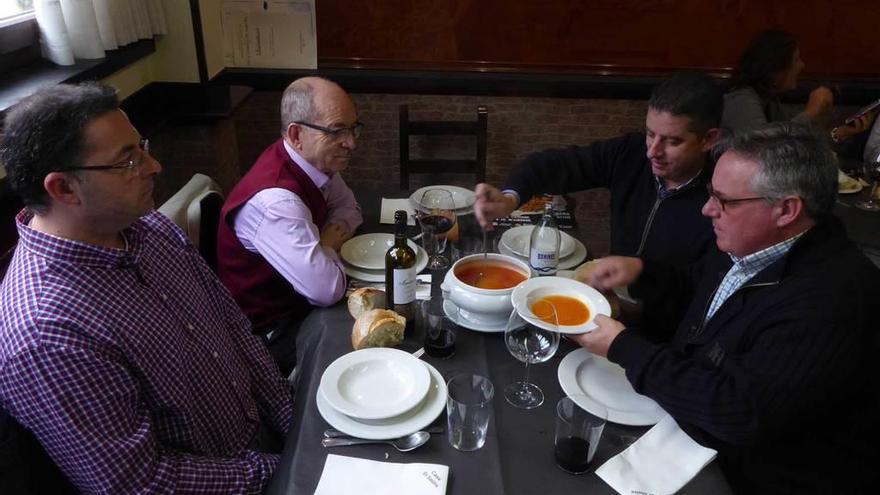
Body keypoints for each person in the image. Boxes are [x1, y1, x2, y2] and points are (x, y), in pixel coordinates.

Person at [0, 83, 294, 493]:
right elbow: (140, 484)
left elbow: (233, 329)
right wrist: (285, 471)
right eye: (128, 161)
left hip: (267, 441)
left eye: (142, 147)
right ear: (64, 188)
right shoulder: (47, 333)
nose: (154, 166)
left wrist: (294, 424)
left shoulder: (149, 228)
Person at [575, 123, 880, 493]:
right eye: (710, 194)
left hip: (752, 475)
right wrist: (641, 274)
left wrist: (624, 347)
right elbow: (703, 296)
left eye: (724, 200)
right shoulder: (753, 244)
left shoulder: (832, 301)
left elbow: (740, 413)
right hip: (686, 422)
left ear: (786, 210)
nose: (707, 210)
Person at [474, 71, 722, 265]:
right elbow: (550, 165)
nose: (652, 151)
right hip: (611, 299)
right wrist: (509, 199)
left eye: (672, 141)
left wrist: (638, 284)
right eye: (650, 134)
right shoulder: (630, 153)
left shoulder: (722, 200)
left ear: (708, 139)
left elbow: (700, 290)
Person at [216, 77, 363, 375]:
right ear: (297, 134)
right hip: (268, 335)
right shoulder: (276, 201)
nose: (351, 142)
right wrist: (326, 245)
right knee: (366, 354)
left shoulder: (314, 162)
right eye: (337, 131)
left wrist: (324, 247)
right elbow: (327, 290)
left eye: (353, 128)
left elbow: (351, 208)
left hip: (298, 304)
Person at [721, 30, 836, 135]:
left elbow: (791, 145)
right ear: (775, 71)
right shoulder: (741, 98)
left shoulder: (770, 100)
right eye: (796, 60)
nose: (802, 65)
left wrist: (836, 132)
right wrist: (811, 113)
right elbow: (766, 148)